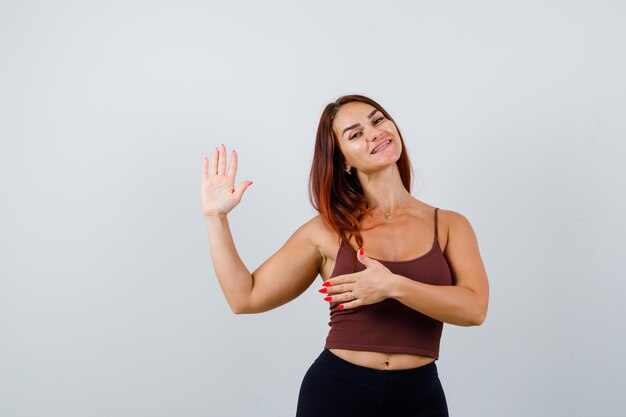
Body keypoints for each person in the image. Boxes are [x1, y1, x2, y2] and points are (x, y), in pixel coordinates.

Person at [200, 94, 489, 417]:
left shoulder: (450, 225)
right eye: (355, 134)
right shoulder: (326, 231)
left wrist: (393, 286)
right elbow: (245, 298)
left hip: (419, 397)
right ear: (344, 161)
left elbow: (474, 309)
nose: (374, 133)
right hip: (338, 393)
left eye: (377, 120)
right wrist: (216, 218)